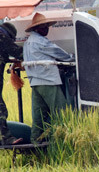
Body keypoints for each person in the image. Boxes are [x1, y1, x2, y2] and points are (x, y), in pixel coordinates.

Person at [23, 12, 75, 143]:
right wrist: (73, 58)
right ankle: (59, 141)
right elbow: (59, 53)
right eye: (43, 26)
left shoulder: (28, 42)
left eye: (47, 26)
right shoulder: (41, 41)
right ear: (36, 28)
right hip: (48, 81)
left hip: (35, 83)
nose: (46, 28)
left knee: (39, 115)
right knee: (62, 112)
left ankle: (35, 141)